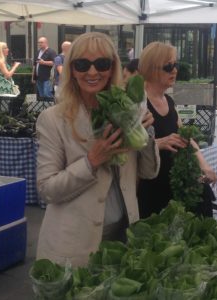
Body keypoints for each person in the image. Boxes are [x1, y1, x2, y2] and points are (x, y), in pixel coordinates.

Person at [35, 32, 160, 267]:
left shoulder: (126, 107)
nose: (92, 72)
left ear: (112, 67)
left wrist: (145, 132)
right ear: (72, 69)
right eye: (83, 64)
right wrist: (91, 161)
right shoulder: (53, 119)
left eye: (101, 63)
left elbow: (149, 172)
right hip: (74, 248)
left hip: (123, 242)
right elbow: (47, 189)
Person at [137, 41, 217, 219]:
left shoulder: (169, 101)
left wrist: (204, 166)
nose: (174, 70)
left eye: (175, 65)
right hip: (152, 186)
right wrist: (158, 143)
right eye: (168, 66)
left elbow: (186, 138)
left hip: (175, 184)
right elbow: (128, 149)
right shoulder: (138, 104)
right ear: (151, 69)